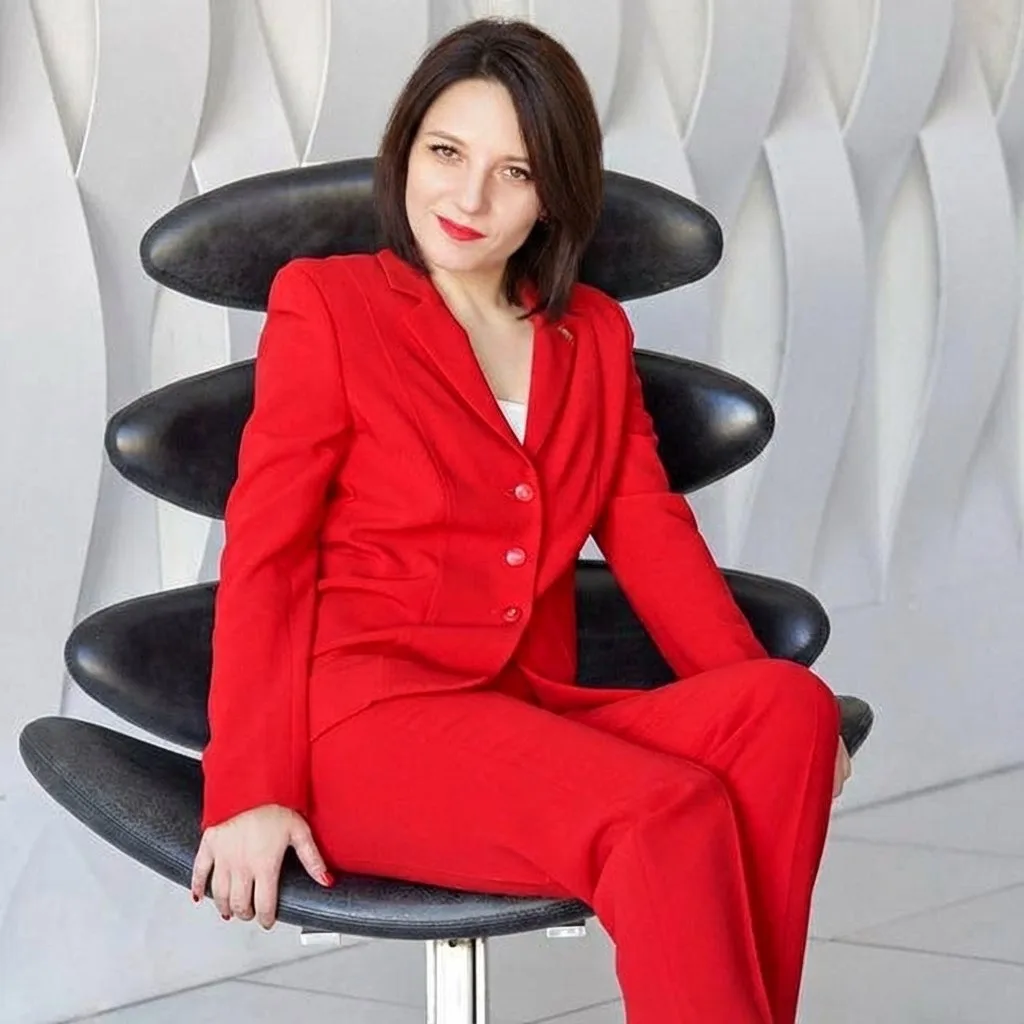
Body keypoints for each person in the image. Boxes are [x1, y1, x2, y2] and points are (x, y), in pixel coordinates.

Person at [190, 16, 851, 1024]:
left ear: (553, 194)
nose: (469, 199)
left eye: (515, 172)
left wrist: (756, 702)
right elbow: (267, 554)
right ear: (405, 149)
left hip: (523, 710)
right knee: (663, 813)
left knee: (789, 711)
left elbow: (651, 532)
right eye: (446, 153)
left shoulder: (593, 333)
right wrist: (248, 786)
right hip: (364, 727)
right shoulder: (328, 304)